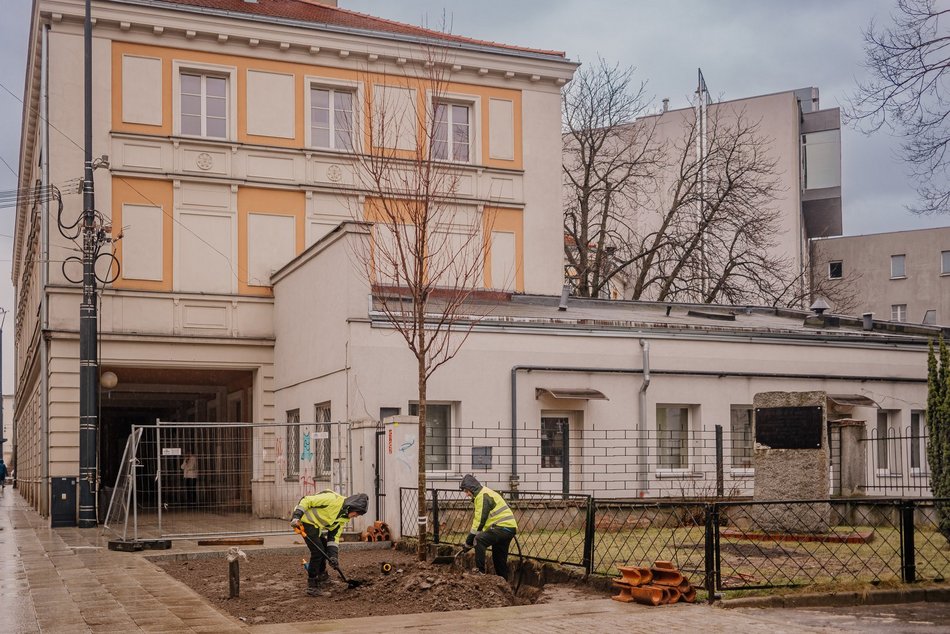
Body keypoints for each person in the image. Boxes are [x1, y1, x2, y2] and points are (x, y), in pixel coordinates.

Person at [290, 490, 368, 597]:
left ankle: (322, 578)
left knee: (324, 549)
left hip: (315, 525)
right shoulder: (332, 500)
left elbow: (333, 537)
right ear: (352, 507)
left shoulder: (343, 518)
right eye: (357, 513)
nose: (356, 516)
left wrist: (333, 556)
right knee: (317, 552)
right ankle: (312, 586)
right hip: (303, 521)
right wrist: (297, 516)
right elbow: (306, 500)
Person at [459, 474, 517, 580]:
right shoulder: (484, 493)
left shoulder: (482, 496)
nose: (467, 495)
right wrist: (468, 544)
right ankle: (503, 583)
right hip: (508, 528)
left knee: (479, 539)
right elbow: (485, 523)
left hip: (501, 528)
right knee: (499, 559)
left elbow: (479, 522)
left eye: (467, 491)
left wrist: (469, 541)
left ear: (472, 488)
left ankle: (479, 572)